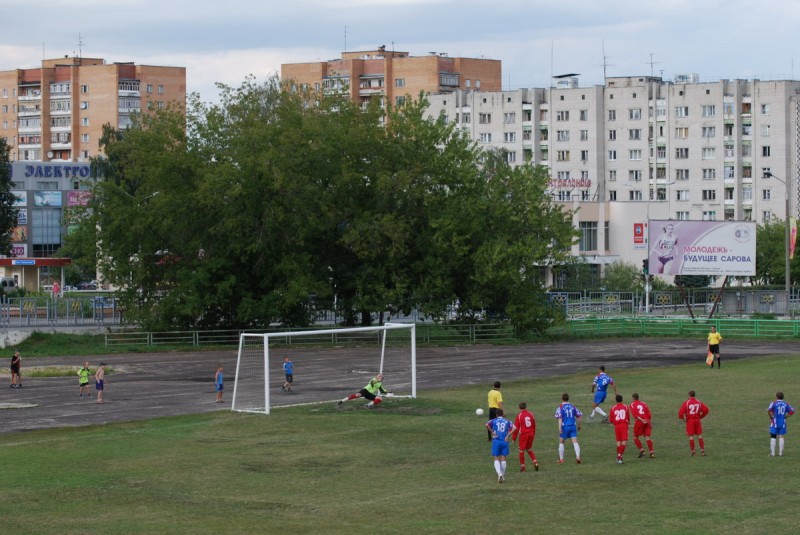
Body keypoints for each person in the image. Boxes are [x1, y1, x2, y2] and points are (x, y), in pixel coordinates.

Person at [486, 408, 516, 483]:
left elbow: (486, 425)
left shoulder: (493, 421)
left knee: (496, 458)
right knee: (503, 458)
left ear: (496, 415)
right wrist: (508, 435)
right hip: (504, 441)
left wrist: (492, 432)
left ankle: (499, 474)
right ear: (503, 414)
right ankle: (502, 475)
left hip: (496, 441)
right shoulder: (507, 421)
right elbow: (515, 428)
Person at [678, 390, 709, 456]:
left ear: (689, 395)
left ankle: (693, 452)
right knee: (699, 435)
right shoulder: (698, 402)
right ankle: (702, 451)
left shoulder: (687, 402)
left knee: (691, 436)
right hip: (697, 420)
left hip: (690, 421)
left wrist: (683, 418)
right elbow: (706, 410)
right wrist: (700, 417)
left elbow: (680, 413)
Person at [554, 393, 583, 464]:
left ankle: (561, 459)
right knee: (575, 442)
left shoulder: (560, 407)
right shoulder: (573, 407)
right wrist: (579, 426)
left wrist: (559, 428)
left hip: (565, 427)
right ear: (568, 398)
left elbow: (560, 418)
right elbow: (579, 416)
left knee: (561, 442)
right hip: (573, 426)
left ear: (562, 398)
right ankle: (578, 457)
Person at [511, 401, 539, 472]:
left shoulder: (519, 416)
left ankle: (522, 466)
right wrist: (533, 433)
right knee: (529, 449)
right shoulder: (531, 414)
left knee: (521, 450)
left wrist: (514, 438)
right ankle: (535, 462)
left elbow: (516, 428)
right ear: (526, 407)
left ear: (519, 408)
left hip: (524, 434)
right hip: (531, 433)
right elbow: (534, 424)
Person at [768, 392, 795, 457]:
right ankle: (780, 453)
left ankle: (773, 453)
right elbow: (792, 411)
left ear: (777, 397)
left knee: (773, 436)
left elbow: (769, 410)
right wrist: (786, 417)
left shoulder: (774, 403)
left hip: (774, 422)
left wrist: (771, 417)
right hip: (782, 422)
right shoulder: (786, 404)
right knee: (781, 436)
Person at [629, 392, 655, 458]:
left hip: (639, 422)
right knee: (647, 437)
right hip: (647, 421)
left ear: (633, 398)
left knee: (635, 437)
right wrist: (648, 422)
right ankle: (651, 453)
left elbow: (635, 415)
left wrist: (641, 420)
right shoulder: (644, 404)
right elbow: (649, 415)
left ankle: (642, 450)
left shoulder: (632, 405)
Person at [609, 394, 630, 464]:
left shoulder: (613, 408)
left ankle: (618, 458)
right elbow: (628, 416)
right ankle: (619, 456)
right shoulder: (625, 407)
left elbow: (611, 419)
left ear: (616, 400)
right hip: (624, 425)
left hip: (617, 426)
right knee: (624, 441)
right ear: (622, 399)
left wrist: (615, 423)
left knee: (618, 442)